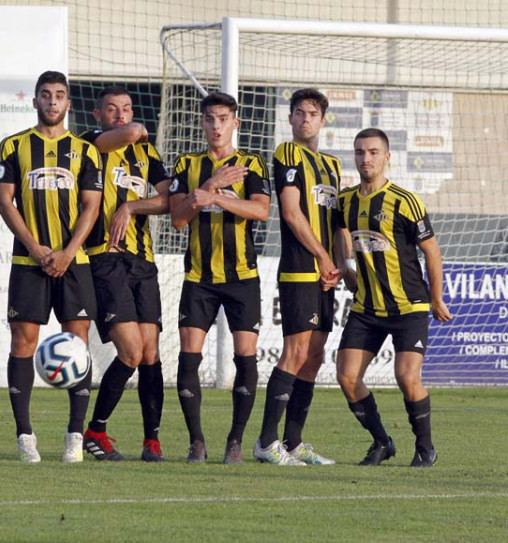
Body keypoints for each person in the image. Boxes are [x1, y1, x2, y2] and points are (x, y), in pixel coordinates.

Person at [0, 71, 103, 463]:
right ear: (35, 101)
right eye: (45, 95)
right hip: (29, 260)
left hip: (75, 262)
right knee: (23, 341)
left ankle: (75, 436)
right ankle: (25, 437)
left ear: (68, 104)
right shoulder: (13, 146)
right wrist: (37, 248)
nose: (52, 102)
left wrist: (69, 250)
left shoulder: (86, 151)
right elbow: (5, 202)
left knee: (77, 343)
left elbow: (91, 205)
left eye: (59, 96)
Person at [335, 128, 452, 467]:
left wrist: (436, 297)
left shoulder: (404, 201)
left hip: (408, 305)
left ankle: (425, 447)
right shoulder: (346, 201)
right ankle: (382, 441)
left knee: (406, 376)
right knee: (346, 376)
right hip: (366, 306)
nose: (365, 158)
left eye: (372, 152)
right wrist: (345, 267)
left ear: (387, 157)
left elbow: (431, 251)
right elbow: (339, 230)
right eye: (359, 152)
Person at [168, 92, 271, 464]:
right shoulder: (186, 164)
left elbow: (260, 211)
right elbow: (178, 219)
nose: (216, 126)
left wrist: (215, 197)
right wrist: (209, 186)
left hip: (242, 276)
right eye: (210, 119)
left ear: (235, 123)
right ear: (202, 123)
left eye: (223, 119)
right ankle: (196, 442)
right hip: (199, 277)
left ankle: (235, 442)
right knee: (188, 358)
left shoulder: (252, 165)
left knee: (246, 357)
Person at [77, 86, 171, 462]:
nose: (121, 115)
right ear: (98, 115)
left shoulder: (147, 154)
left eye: (127, 109)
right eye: (112, 110)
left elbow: (169, 200)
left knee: (150, 354)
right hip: (105, 259)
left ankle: (152, 442)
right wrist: (136, 125)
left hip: (142, 262)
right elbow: (133, 131)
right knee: (130, 352)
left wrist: (132, 206)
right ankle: (95, 430)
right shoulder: (90, 144)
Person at [253, 88, 340, 466]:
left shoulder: (333, 166)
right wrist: (322, 257)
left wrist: (339, 267)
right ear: (290, 118)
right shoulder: (286, 154)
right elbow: (290, 212)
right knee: (296, 352)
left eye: (313, 114)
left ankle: (293, 442)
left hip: (325, 273)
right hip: (300, 270)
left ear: (323, 120)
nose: (306, 119)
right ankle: (266, 442)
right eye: (299, 113)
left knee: (315, 357)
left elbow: (337, 224)